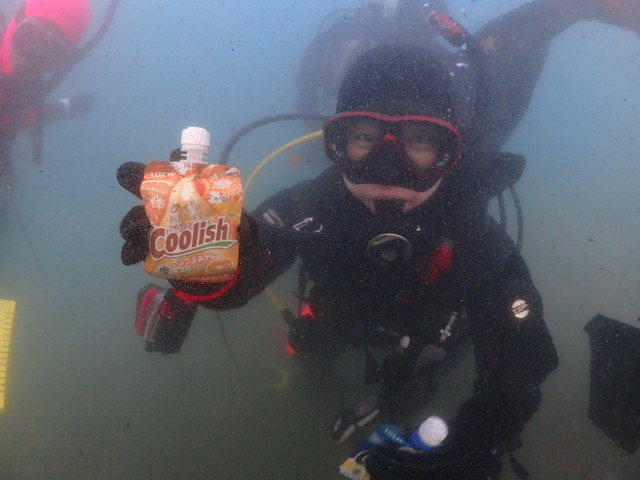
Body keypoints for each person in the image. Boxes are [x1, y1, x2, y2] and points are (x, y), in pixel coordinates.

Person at [118, 44, 559, 478]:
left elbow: (523, 360)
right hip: (334, 321)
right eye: (365, 137)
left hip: (425, 347)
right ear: (337, 141)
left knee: (411, 394)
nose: (388, 167)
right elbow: (238, 281)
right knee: (312, 356)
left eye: (419, 141)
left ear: (449, 152)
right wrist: (202, 262)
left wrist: (475, 442)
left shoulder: (473, 234)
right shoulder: (311, 206)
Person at [296, 0, 640, 151]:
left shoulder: (335, 42)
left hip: (441, 143)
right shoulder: (337, 43)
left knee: (487, 66)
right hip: (449, 151)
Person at [0, 0, 96, 229]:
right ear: (16, 23)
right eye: (29, 40)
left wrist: (65, 109)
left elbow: (21, 118)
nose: (29, 63)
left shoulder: (21, 98)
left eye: (50, 57)